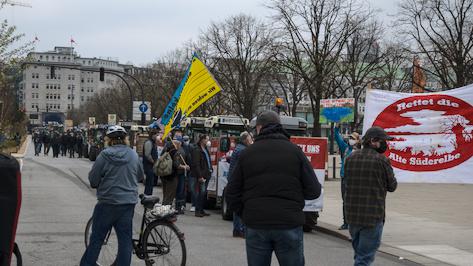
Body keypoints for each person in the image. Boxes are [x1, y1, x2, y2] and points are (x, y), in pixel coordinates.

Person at [226, 111, 321, 266]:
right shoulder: (295, 152)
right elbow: (314, 190)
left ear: (259, 128)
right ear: (279, 127)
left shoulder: (247, 154)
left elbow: (232, 192)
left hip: (256, 222)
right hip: (288, 221)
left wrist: (245, 213)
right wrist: (295, 202)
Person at [80, 125, 143, 266]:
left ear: (109, 140)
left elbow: (93, 180)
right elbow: (140, 176)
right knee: (125, 240)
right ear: (125, 139)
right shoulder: (133, 155)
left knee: (97, 238)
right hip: (127, 204)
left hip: (107, 203)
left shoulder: (104, 155)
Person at [344, 126, 398, 266]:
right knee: (365, 259)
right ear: (373, 141)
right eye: (383, 141)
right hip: (372, 217)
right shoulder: (382, 160)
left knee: (359, 255)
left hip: (352, 216)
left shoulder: (350, 158)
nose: (385, 144)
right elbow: (392, 186)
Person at [334, 125, 361, 230]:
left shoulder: (360, 151)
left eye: (353, 139)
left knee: (354, 201)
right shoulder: (345, 148)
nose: (350, 140)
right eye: (350, 138)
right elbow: (337, 137)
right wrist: (336, 128)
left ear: (358, 141)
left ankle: (353, 222)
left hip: (355, 180)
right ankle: (346, 223)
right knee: (345, 201)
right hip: (345, 178)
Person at [227, 131, 253, 238]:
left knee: (237, 205)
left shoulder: (238, 148)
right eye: (250, 139)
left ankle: (237, 229)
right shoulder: (243, 150)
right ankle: (241, 230)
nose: (251, 140)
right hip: (239, 181)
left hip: (234, 180)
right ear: (246, 140)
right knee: (241, 206)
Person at [191, 134, 212, 218]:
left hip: (206, 174)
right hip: (201, 175)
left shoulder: (205, 149)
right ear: (202, 140)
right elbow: (196, 164)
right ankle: (197, 210)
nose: (208, 141)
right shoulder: (197, 149)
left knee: (203, 193)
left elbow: (207, 160)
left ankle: (201, 209)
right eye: (207, 139)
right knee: (200, 192)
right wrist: (200, 176)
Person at [143, 129, 158, 195]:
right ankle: (147, 196)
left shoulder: (152, 142)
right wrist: (153, 162)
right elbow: (147, 155)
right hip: (148, 166)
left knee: (150, 182)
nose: (157, 136)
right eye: (156, 135)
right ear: (153, 135)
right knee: (149, 182)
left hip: (151, 166)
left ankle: (148, 196)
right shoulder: (149, 142)